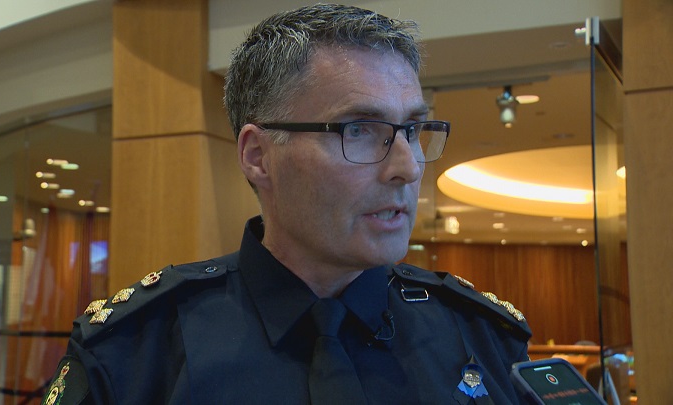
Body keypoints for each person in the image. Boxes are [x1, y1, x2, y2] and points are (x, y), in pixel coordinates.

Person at [43, 4, 530, 404]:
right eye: (359, 130)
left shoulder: (480, 338)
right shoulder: (136, 353)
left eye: (412, 130)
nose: (407, 166)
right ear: (258, 156)